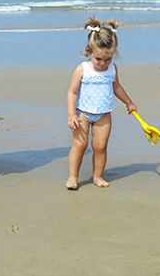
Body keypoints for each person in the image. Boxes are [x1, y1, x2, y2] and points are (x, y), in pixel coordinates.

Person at [66, 17, 137, 190]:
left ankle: (97, 176)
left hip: (103, 114)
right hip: (82, 113)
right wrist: (71, 114)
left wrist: (129, 102)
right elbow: (72, 92)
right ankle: (73, 177)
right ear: (89, 51)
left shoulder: (112, 69)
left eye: (108, 59)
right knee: (79, 145)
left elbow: (117, 87)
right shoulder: (83, 69)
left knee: (100, 147)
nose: (103, 63)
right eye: (98, 59)